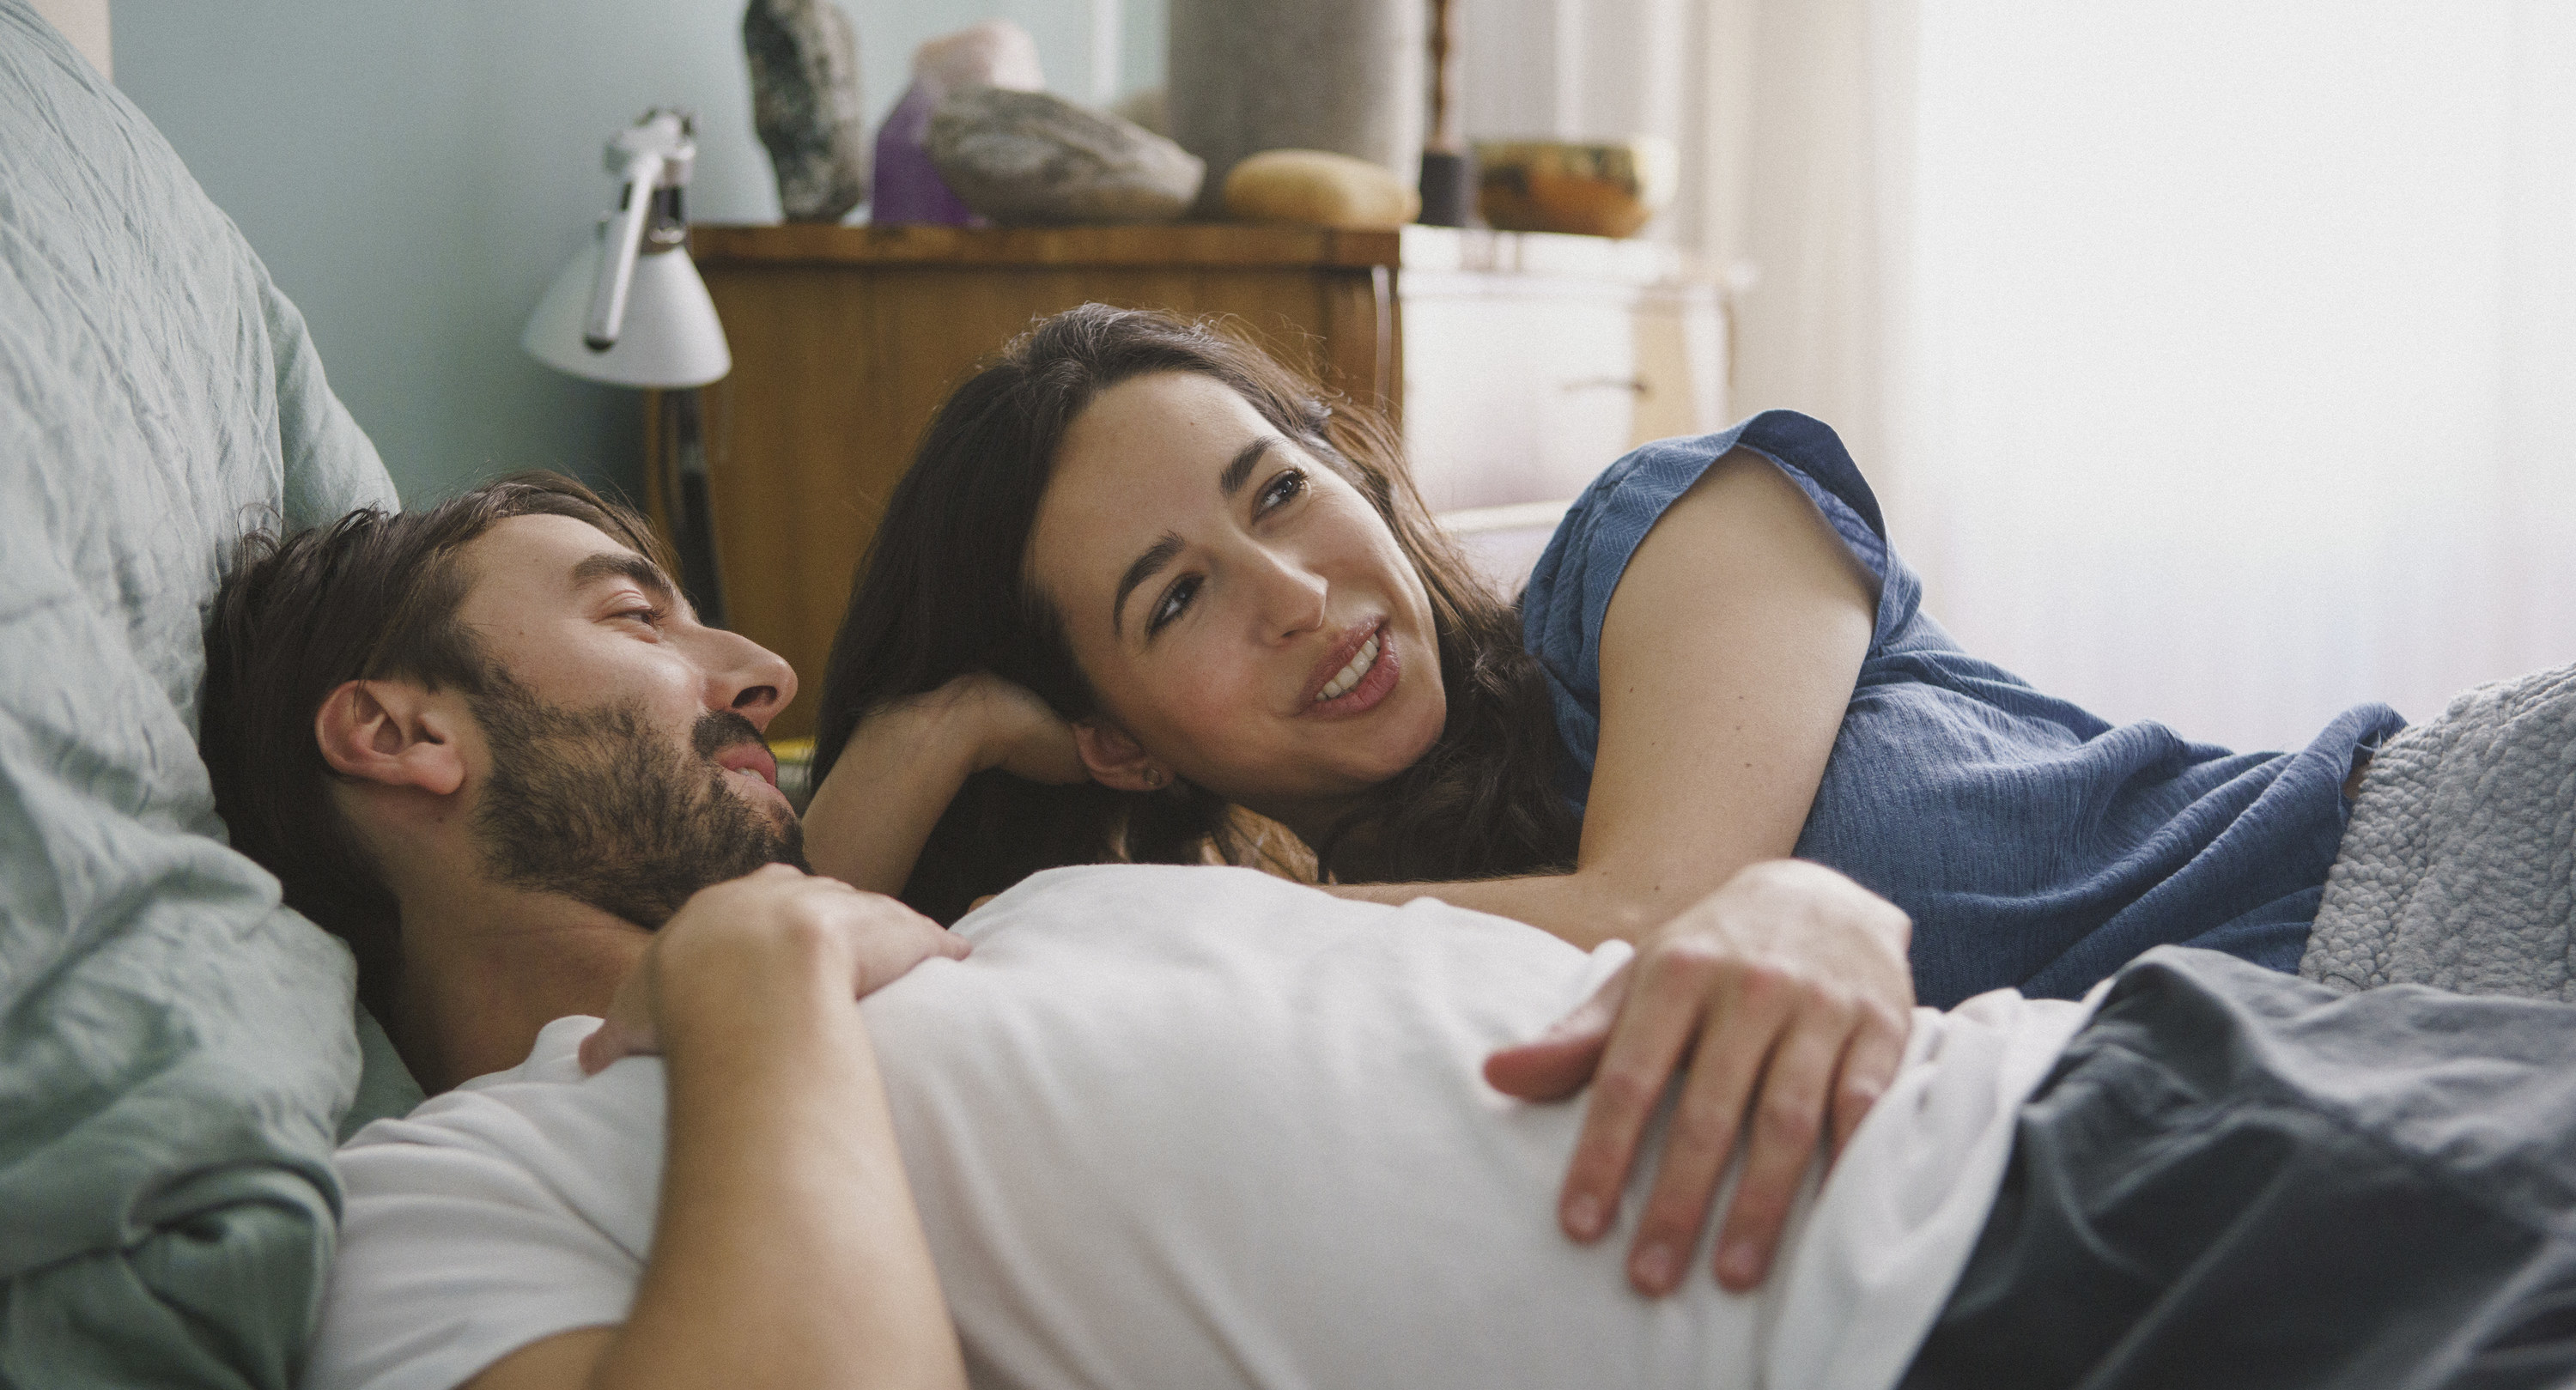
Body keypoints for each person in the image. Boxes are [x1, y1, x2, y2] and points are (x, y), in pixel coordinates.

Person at [202, 476, 2576, 1390]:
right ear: (397, 735)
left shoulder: (1015, 933)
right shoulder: (454, 1199)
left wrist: (1820, 910)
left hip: (2159, 1079)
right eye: (632, 612)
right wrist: (746, 967)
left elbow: (1636, 921)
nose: (749, 659)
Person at [804, 303, 2403, 1018]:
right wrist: (923, 738)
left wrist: (1178, 914)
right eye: (1176, 602)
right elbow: (770, 982)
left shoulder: (1673, 528)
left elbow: (1659, 918)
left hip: (2421, 876)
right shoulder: (1370, 974)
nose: (1294, 592)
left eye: (1282, 490)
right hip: (2288, 1090)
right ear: (1122, 748)